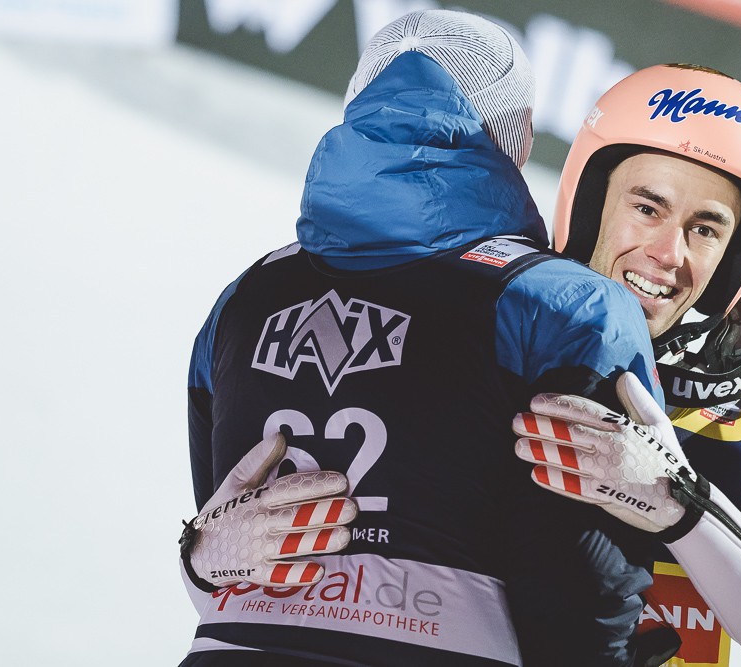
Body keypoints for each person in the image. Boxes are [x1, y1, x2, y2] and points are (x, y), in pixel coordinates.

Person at [179, 9, 669, 667]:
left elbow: (220, 538)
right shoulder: (568, 305)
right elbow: (581, 580)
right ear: (521, 135)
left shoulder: (244, 297)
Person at [512, 64, 741, 666]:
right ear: (588, 208)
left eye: (705, 230)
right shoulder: (484, 352)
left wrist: (678, 503)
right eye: (648, 208)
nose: (669, 254)